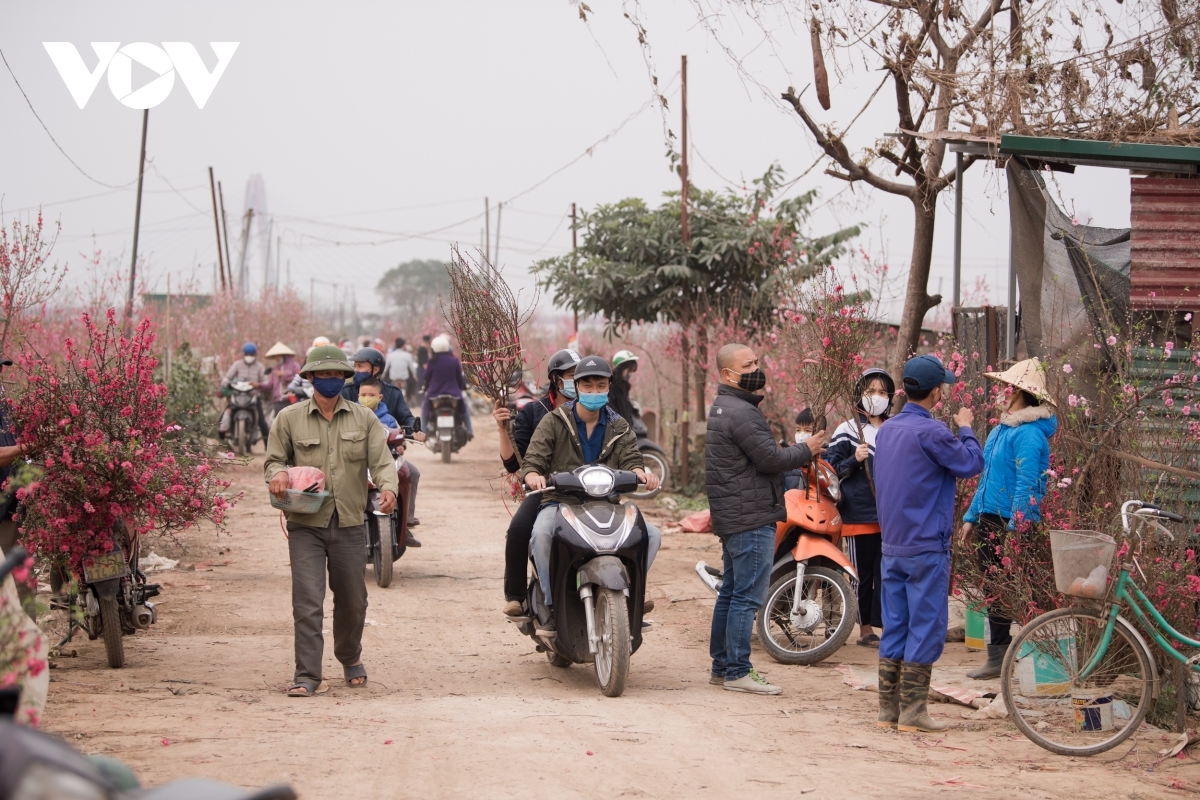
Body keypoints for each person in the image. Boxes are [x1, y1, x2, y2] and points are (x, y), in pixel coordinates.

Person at [265, 345, 400, 697]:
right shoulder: (288, 418)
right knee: (307, 600)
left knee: (354, 600)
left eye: (337, 375)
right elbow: (273, 460)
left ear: (345, 379)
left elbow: (382, 460)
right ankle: (307, 674)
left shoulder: (363, 419)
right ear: (309, 378)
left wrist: (389, 487)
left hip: (351, 522)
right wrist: (278, 474)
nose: (329, 381)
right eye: (322, 375)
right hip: (306, 523)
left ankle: (349, 656)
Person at [705, 343, 826, 695]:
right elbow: (770, 459)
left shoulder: (724, 408)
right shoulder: (741, 412)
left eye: (757, 361)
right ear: (728, 374)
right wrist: (806, 449)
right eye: (749, 364)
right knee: (745, 596)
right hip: (750, 516)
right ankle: (739, 670)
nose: (757, 368)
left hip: (735, 515)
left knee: (730, 592)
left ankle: (722, 667)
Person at [873, 354, 983, 733]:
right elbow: (970, 464)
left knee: (896, 625)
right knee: (925, 625)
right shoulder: (933, 432)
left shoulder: (887, 430)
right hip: (925, 546)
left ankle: (888, 710)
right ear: (937, 391)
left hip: (893, 546)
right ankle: (914, 713)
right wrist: (966, 428)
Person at [520, 356, 662, 628]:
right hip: (560, 503)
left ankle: (630, 597)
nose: (594, 391)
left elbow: (632, 459)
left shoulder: (619, 426)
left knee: (651, 535)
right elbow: (533, 461)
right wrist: (534, 476)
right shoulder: (553, 421)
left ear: (609, 387)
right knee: (540, 534)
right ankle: (550, 606)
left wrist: (641, 472)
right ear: (576, 386)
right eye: (587, 385)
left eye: (600, 385)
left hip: (606, 504)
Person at [960, 358, 1057, 679]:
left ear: (1019, 392)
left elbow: (1029, 485)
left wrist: (1017, 529)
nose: (1002, 392)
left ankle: (1040, 659)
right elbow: (989, 478)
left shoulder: (1028, 434)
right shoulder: (1004, 429)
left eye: (1007, 388)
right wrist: (972, 516)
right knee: (994, 588)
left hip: (1010, 524)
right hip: (990, 518)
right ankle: (998, 657)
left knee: (1015, 589)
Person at [492, 349, 580, 615]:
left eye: (581, 377)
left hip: (587, 490)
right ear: (555, 379)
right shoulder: (534, 412)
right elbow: (513, 463)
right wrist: (502, 430)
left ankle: (627, 592)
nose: (577, 383)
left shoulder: (595, 410)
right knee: (519, 530)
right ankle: (516, 595)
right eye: (571, 376)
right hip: (545, 490)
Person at [825, 368, 895, 648]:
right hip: (858, 516)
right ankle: (865, 628)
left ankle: (888, 626)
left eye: (882, 392)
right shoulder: (847, 430)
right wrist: (853, 459)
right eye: (870, 391)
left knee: (888, 575)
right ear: (859, 395)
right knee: (861, 576)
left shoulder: (893, 429)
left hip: (889, 517)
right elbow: (831, 472)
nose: (876, 397)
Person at [343, 348, 425, 543]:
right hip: (351, 453)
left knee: (411, 473)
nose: (356, 370)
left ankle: (406, 523)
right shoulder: (344, 391)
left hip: (386, 454)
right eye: (354, 366)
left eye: (361, 366)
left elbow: (406, 419)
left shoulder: (393, 393)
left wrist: (414, 432)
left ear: (376, 369)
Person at [421, 335, 472, 438]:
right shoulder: (454, 361)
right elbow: (459, 378)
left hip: (434, 393)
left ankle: (423, 431)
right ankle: (469, 431)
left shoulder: (432, 361)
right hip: (453, 393)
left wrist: (426, 386)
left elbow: (426, 376)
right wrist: (463, 387)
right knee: (464, 408)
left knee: (424, 408)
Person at [220, 342, 271, 445]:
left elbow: (266, 381)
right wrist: (226, 383)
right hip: (238, 395)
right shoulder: (237, 365)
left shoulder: (259, 367)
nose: (249, 357)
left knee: (261, 420)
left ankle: (267, 444)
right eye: (247, 354)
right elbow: (227, 377)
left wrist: (258, 385)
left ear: (255, 355)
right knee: (226, 413)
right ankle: (221, 435)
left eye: (251, 355)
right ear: (243, 354)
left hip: (253, 396)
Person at [783, 409, 816, 491]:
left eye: (807, 430)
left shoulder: (829, 458)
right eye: (798, 430)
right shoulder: (788, 460)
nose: (801, 435)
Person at [264, 342, 300, 413]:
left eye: (278, 356)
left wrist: (283, 374)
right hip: (278, 400)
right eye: (275, 357)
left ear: (283, 356)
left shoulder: (294, 366)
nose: (276, 358)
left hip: (291, 400)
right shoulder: (275, 368)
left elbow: (298, 379)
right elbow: (270, 384)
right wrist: (259, 385)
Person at [608, 349, 639, 427]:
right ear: (622, 367)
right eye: (629, 370)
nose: (630, 374)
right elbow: (610, 407)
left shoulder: (624, 386)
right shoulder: (609, 384)